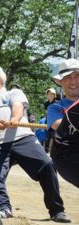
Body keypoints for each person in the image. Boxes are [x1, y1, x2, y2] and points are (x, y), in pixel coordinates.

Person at [0, 62, 70, 222]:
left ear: (1, 79)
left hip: (22, 138)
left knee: (47, 165)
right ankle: (2, 209)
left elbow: (18, 106)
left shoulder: (13, 93)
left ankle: (56, 210)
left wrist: (15, 119)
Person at [47, 58, 79, 188]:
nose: (73, 81)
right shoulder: (55, 108)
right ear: (60, 82)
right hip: (68, 158)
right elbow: (61, 126)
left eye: (77, 76)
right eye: (67, 77)